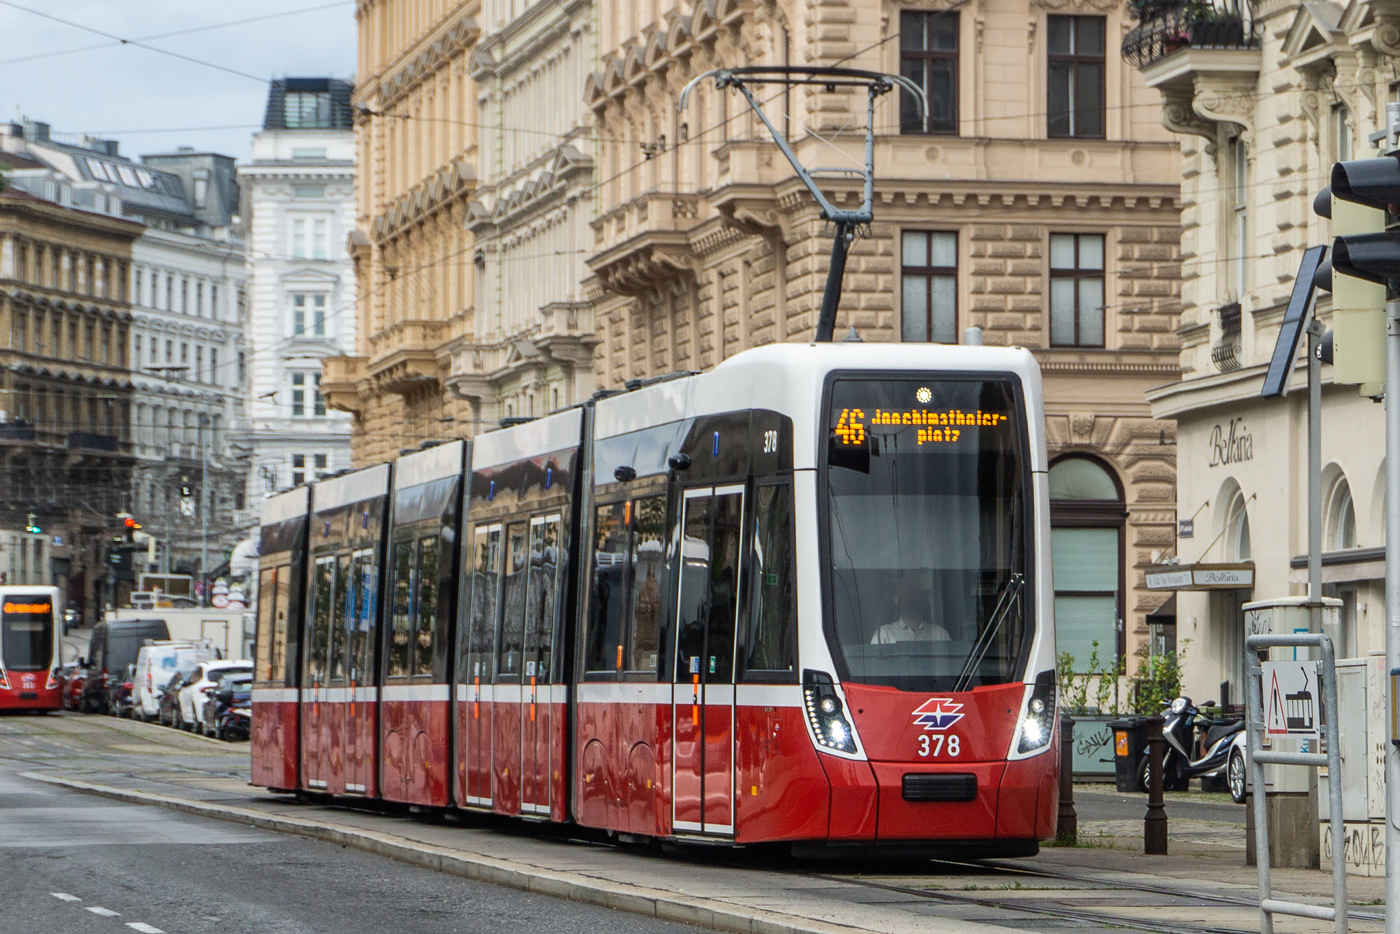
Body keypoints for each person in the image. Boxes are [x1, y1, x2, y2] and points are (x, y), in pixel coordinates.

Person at [870, 576, 951, 644]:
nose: (910, 598)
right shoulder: (884, 635)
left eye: (914, 593)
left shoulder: (939, 635)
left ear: (921, 598)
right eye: (906, 594)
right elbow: (874, 663)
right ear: (897, 600)